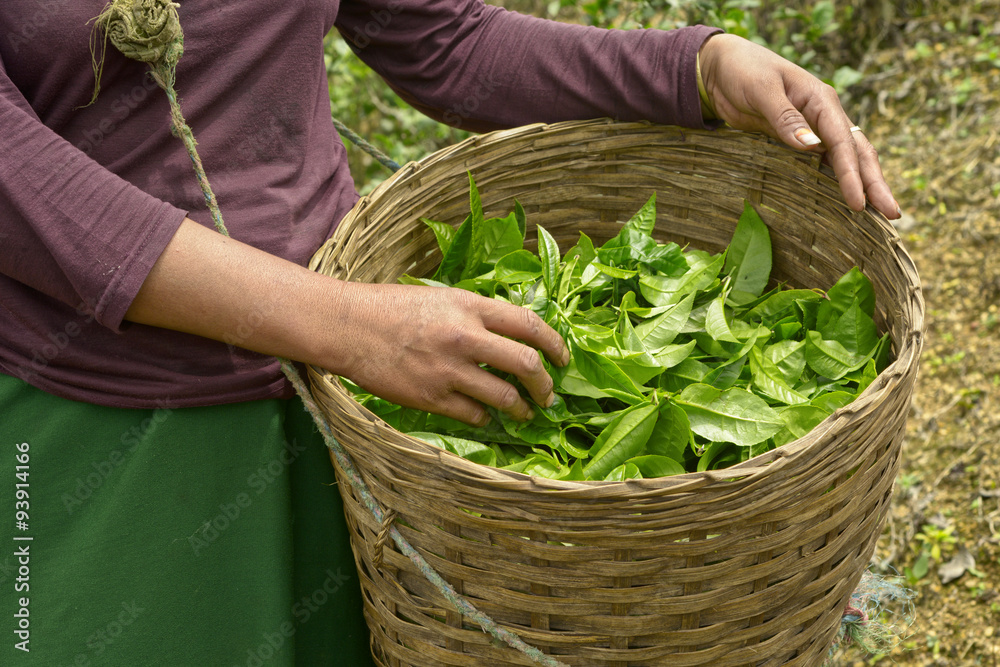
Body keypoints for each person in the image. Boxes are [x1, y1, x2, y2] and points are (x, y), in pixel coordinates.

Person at [0, 1, 900, 665]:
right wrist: (351, 328)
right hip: (108, 424)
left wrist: (693, 70)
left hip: (372, 414)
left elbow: (445, 41)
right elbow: (22, 189)